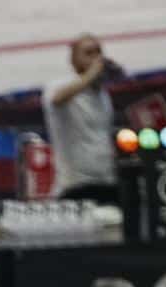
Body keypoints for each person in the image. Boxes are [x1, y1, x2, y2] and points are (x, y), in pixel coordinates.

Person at [42, 35, 124, 203]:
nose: (96, 58)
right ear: (73, 60)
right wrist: (92, 73)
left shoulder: (102, 94)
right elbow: (57, 99)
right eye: (88, 53)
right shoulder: (59, 86)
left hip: (106, 181)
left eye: (98, 52)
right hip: (75, 185)